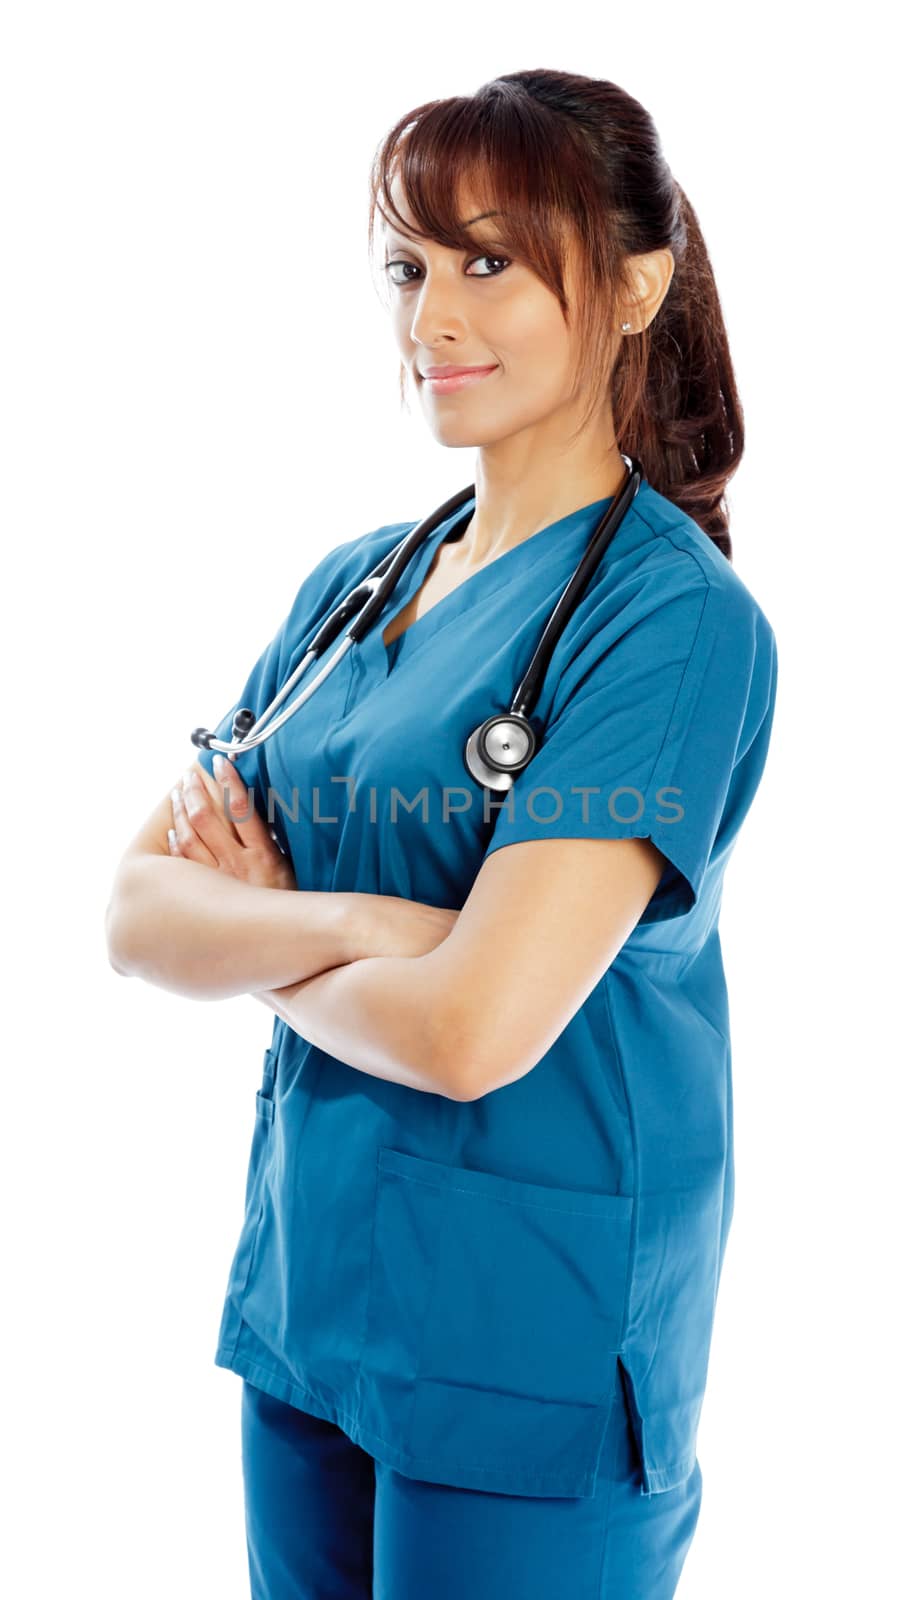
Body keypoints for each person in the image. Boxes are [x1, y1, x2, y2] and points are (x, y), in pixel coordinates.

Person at [106, 69, 779, 1600]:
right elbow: (137, 915)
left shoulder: (670, 628)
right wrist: (363, 929)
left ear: (632, 285)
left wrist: (267, 930)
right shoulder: (358, 588)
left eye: (490, 261)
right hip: (316, 1301)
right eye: (410, 267)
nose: (432, 320)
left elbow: (478, 1029)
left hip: (527, 1347)